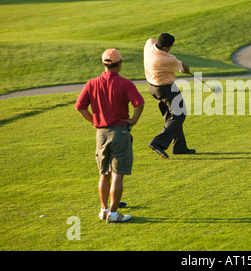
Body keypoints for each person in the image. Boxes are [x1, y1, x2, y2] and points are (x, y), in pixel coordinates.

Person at [75, 48, 145, 223]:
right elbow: (139, 104)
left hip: (101, 133)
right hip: (120, 132)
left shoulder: (91, 83)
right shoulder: (126, 84)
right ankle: (114, 214)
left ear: (104, 64)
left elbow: (80, 107)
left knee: (104, 173)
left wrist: (94, 121)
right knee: (118, 174)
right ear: (119, 64)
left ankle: (104, 210)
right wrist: (133, 121)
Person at [143, 32, 195, 159]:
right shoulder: (167, 59)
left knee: (170, 117)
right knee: (179, 115)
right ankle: (158, 142)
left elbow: (150, 39)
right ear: (166, 48)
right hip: (166, 89)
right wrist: (186, 69)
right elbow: (183, 67)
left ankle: (179, 147)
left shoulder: (149, 45)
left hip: (152, 87)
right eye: (170, 46)